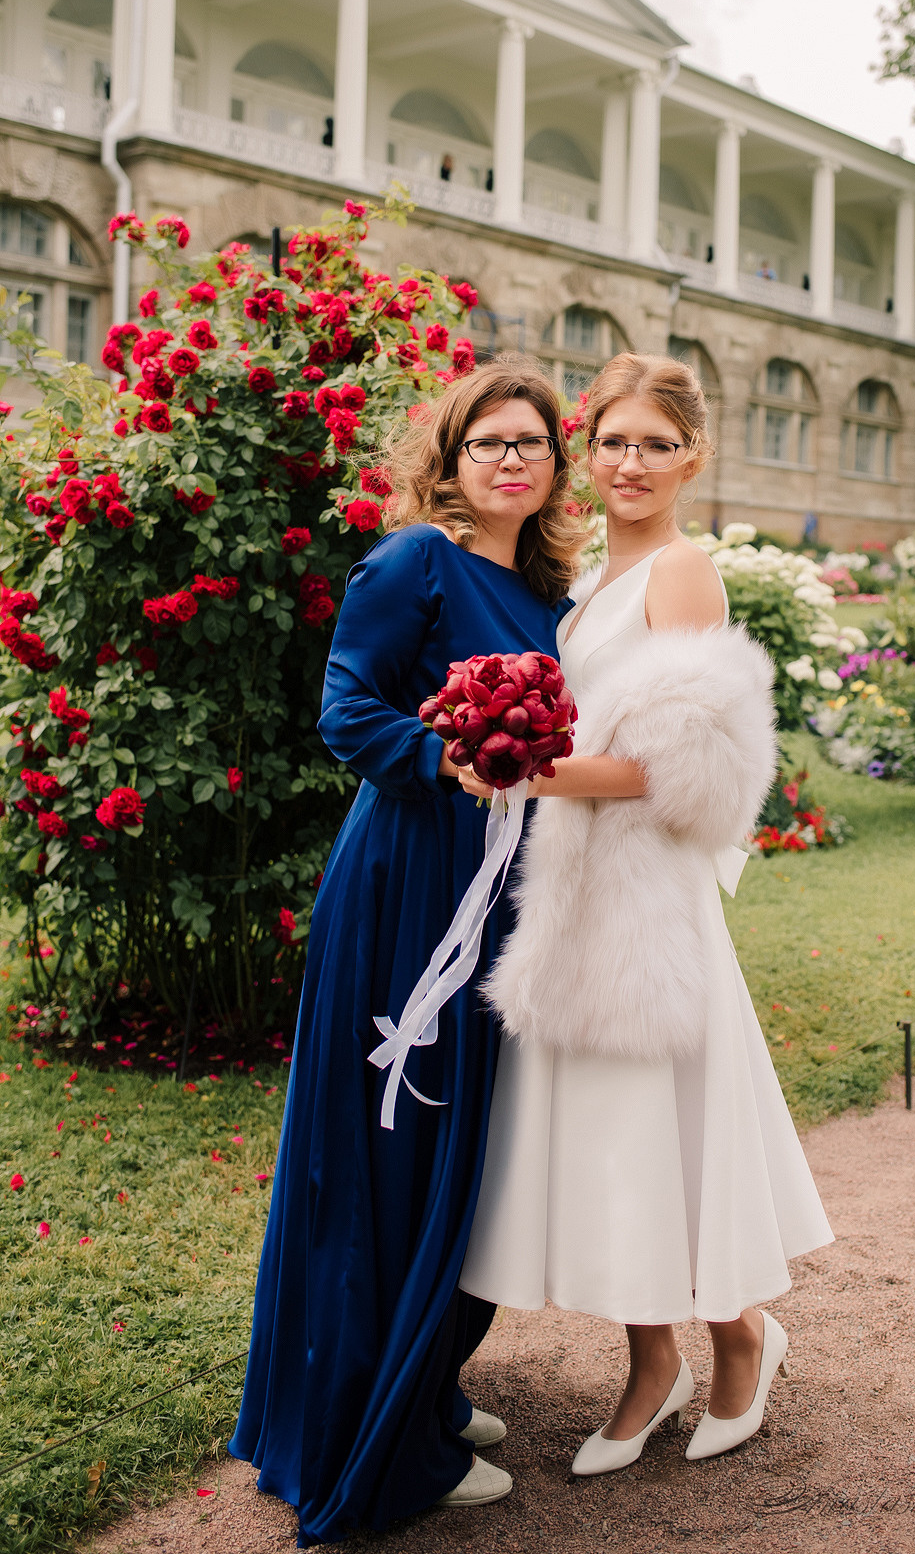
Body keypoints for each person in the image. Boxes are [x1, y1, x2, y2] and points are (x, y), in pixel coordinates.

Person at [229, 359, 586, 1543]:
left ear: (556, 466)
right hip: (410, 881)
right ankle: (371, 1434)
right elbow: (345, 710)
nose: (510, 461)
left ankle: (421, 1381)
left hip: (503, 892)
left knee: (463, 1147)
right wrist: (448, 757)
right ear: (450, 457)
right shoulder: (412, 562)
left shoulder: (544, 591)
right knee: (390, 1143)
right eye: (489, 442)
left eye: (531, 444)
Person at [459, 351, 833, 1473]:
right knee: (615, 1137)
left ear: (691, 457)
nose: (631, 463)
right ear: (588, 450)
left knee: (667, 1125)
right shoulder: (581, 575)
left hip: (646, 898)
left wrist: (520, 765)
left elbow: (684, 773)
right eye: (614, 441)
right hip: (575, 887)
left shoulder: (680, 572)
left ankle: (740, 1338)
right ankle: (652, 1361)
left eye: (655, 445)